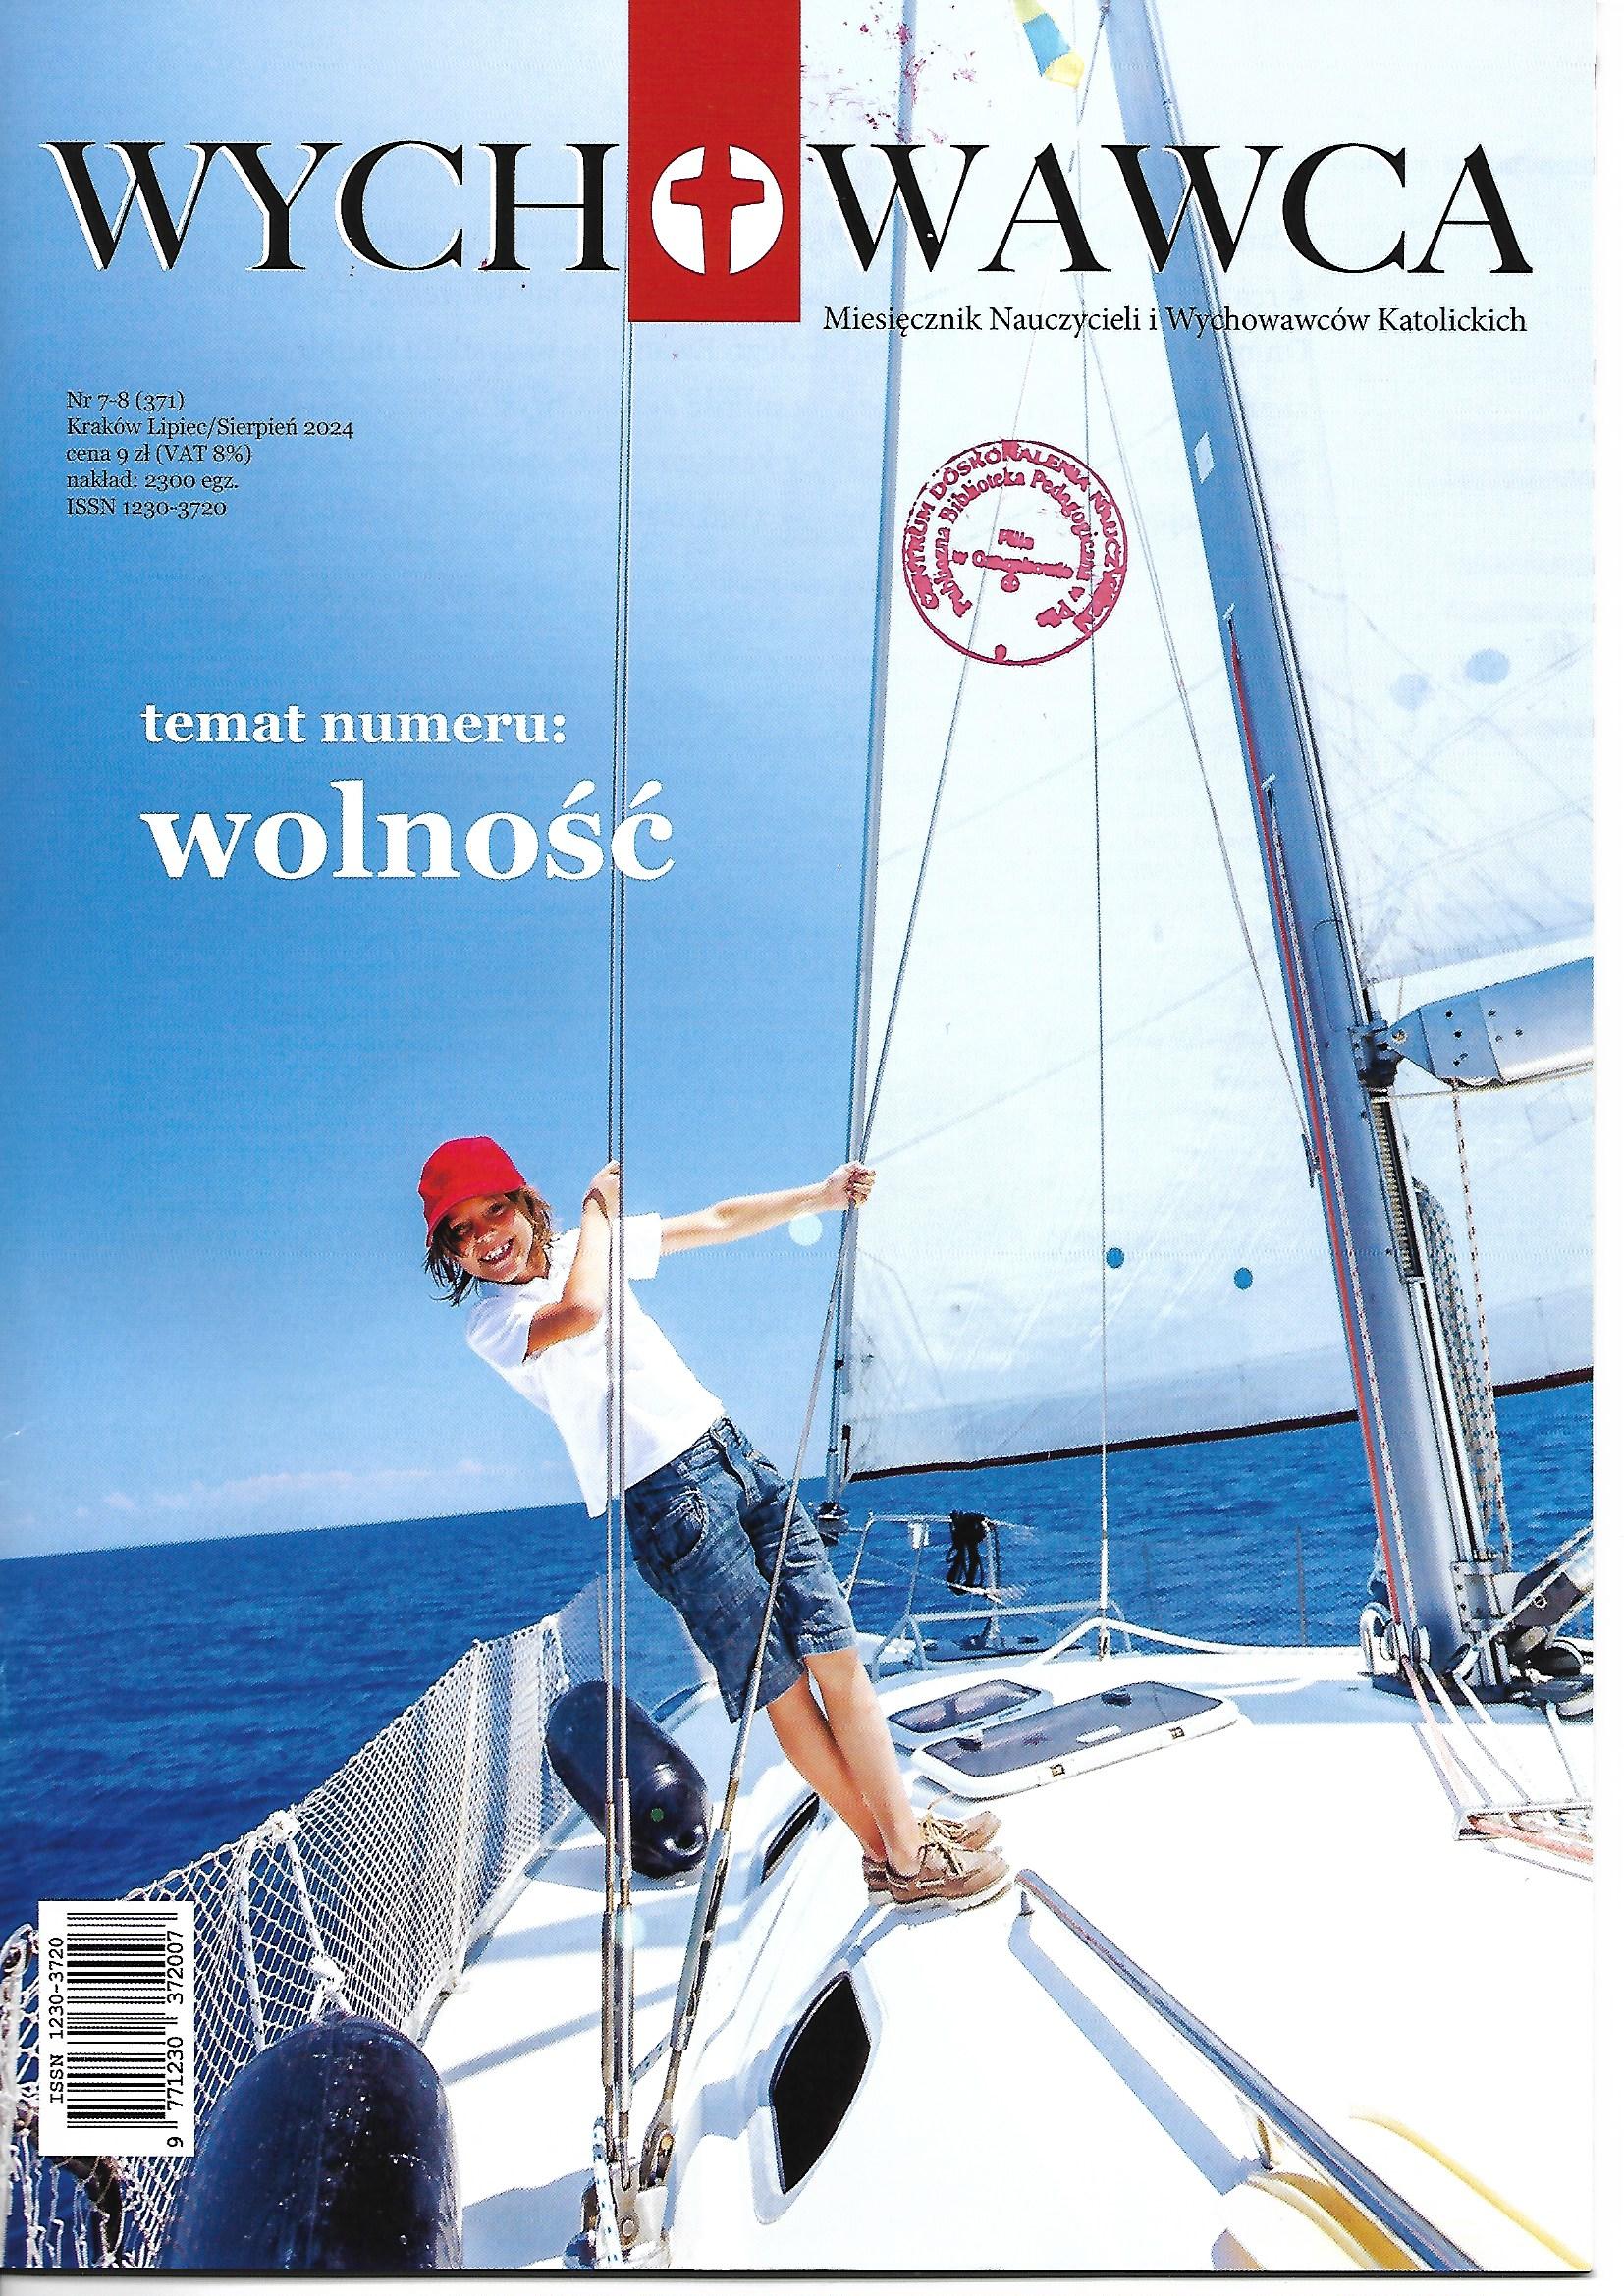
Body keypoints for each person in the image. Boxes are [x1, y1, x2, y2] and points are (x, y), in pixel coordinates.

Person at [418, 1134, 1008, 1912]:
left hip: (735, 1457)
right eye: (461, 1232)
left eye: (495, 1210)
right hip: (670, 1503)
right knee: (784, 1689)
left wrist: (819, 1195)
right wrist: (596, 1210)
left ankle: (901, 1839)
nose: (486, 1236)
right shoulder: (496, 1321)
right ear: (451, 1255)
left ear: (525, 1203)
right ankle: (902, 1857)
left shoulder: (585, 1250)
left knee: (838, 1656)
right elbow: (582, 1311)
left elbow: (715, 1222)